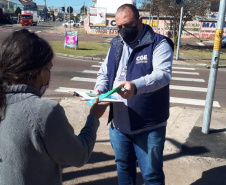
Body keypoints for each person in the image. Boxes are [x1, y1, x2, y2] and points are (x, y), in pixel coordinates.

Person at [0, 29, 109, 185]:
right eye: (49, 69)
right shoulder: (44, 111)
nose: (49, 76)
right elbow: (79, 156)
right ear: (36, 71)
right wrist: (93, 118)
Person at [93, 4, 174, 185]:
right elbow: (104, 73)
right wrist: (99, 89)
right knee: (123, 168)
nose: (123, 31)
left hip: (148, 125)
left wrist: (135, 86)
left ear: (139, 21)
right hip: (119, 125)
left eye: (127, 25)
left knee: (151, 175)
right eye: (119, 27)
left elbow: (163, 75)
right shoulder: (115, 44)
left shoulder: (158, 43)